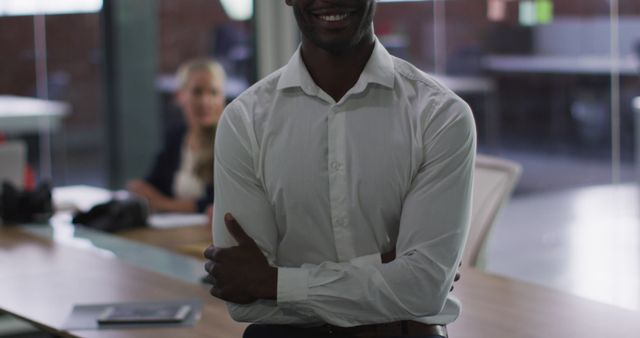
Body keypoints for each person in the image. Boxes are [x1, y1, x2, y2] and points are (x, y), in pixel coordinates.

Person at [204, 1, 476, 337]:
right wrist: (382, 267)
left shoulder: (440, 116)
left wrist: (275, 283)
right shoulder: (245, 122)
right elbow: (244, 298)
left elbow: (423, 290)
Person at [128, 59, 225, 213]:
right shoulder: (176, 135)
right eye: (197, 92)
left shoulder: (228, 141)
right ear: (180, 96)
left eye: (214, 92)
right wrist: (140, 189)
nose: (206, 101)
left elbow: (216, 203)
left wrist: (162, 203)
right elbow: (154, 184)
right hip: (176, 231)